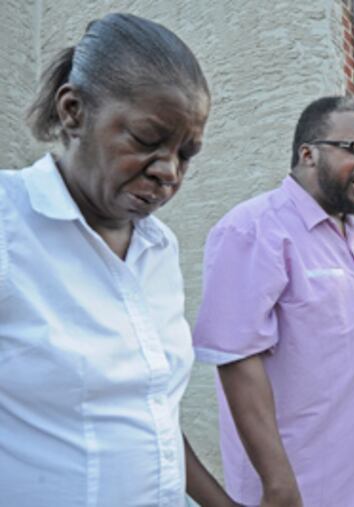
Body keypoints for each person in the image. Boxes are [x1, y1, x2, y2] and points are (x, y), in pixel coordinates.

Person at [0, 13, 235, 506]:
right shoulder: (9, 225)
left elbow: (153, 410)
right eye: (148, 140)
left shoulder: (160, 249)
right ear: (73, 111)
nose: (168, 171)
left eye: (186, 154)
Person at [193, 96, 354, 507]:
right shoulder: (253, 229)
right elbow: (237, 359)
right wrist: (278, 482)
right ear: (308, 154)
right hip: (301, 488)